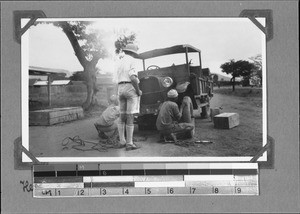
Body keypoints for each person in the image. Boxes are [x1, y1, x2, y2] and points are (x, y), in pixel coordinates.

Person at [116, 43, 142, 151]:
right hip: (130, 87)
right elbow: (133, 78)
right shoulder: (133, 60)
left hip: (120, 88)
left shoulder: (119, 61)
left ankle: (122, 141)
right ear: (133, 52)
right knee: (130, 116)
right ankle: (129, 143)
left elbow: (115, 78)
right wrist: (138, 90)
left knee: (122, 116)